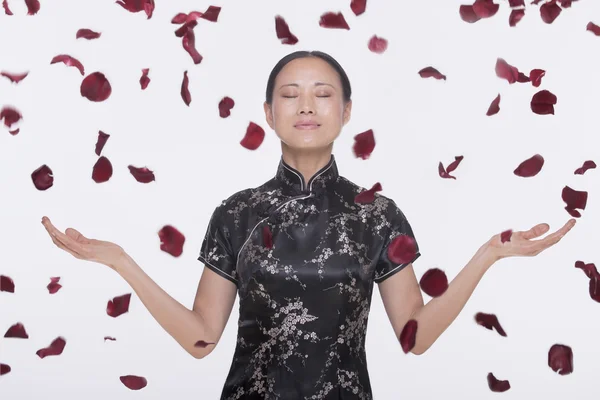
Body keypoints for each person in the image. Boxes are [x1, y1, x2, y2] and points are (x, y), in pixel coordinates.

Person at [41, 50, 577, 399]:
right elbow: (201, 338)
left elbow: (415, 336)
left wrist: (487, 256)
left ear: (346, 112)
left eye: (323, 94)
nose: (306, 106)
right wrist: (120, 262)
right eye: (290, 94)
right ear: (268, 114)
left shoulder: (377, 215)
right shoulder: (236, 213)